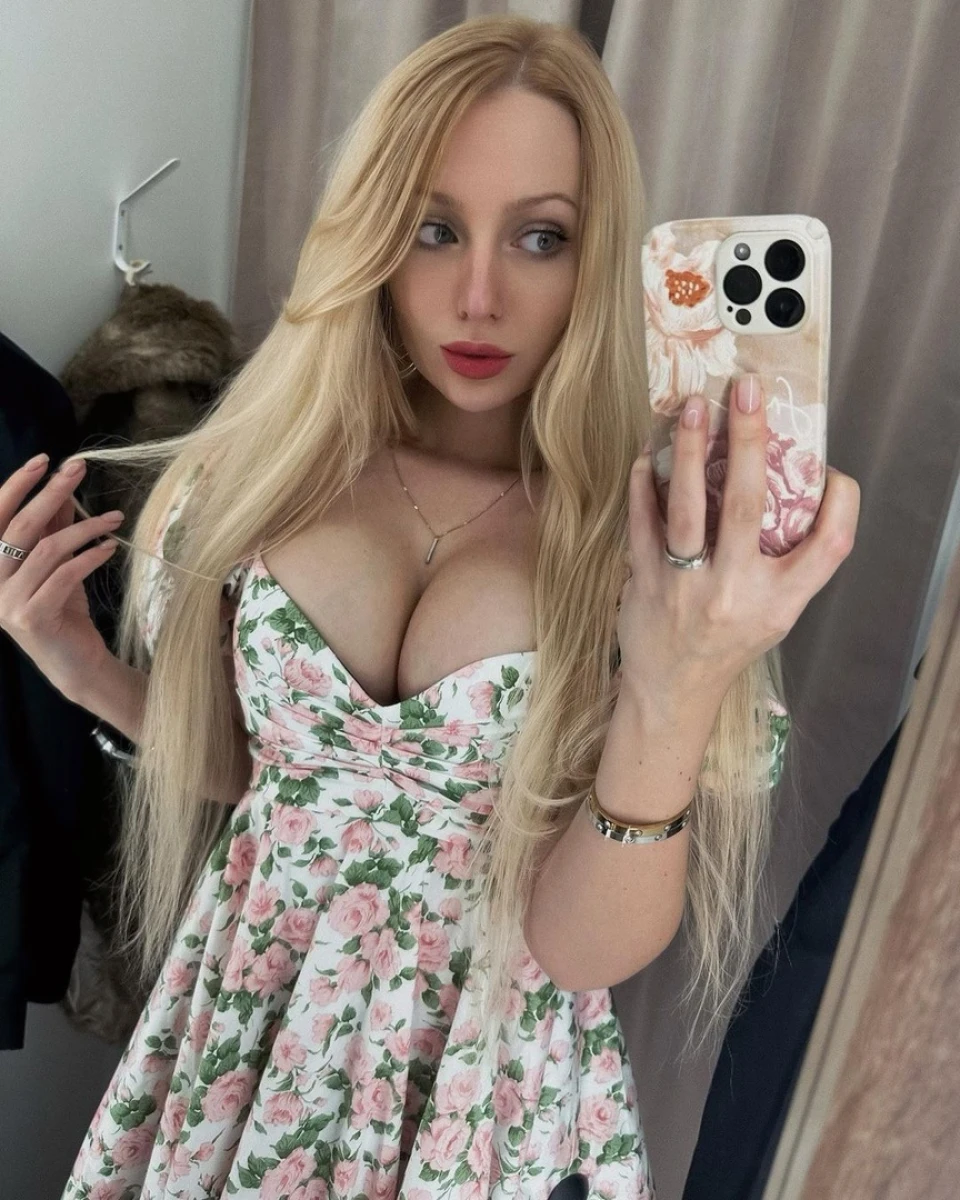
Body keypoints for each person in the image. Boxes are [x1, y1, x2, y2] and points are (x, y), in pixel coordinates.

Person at [0, 15, 859, 1199]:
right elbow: (280, 783)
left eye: (541, 237)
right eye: (432, 227)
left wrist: (685, 675)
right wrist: (83, 669)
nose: (478, 295)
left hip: (473, 1101)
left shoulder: (645, 544)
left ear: (598, 256)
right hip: (245, 1050)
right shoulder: (262, 473)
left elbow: (579, 949)